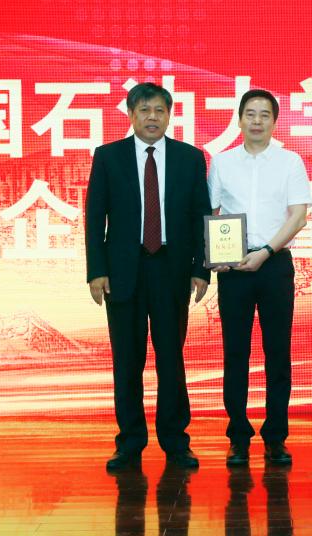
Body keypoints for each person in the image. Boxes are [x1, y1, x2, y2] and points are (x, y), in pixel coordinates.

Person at [85, 82, 211, 471]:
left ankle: (176, 442)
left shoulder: (190, 158)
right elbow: (94, 217)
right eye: (144, 110)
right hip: (123, 270)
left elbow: (200, 217)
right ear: (131, 115)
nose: (152, 117)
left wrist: (201, 269)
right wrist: (96, 271)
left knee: (171, 358)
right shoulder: (108, 157)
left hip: (172, 268)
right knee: (127, 360)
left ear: (169, 115)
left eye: (159, 110)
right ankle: (129, 443)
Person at [208, 89, 311, 467]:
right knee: (235, 354)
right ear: (239, 120)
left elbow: (298, 216)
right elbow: (211, 212)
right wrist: (215, 255)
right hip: (234, 269)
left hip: (275, 265)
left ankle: (275, 437)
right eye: (250, 114)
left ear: (274, 122)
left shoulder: (290, 162)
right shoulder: (222, 162)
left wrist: (265, 251)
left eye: (264, 115)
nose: (256, 121)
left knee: (278, 354)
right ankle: (238, 436)